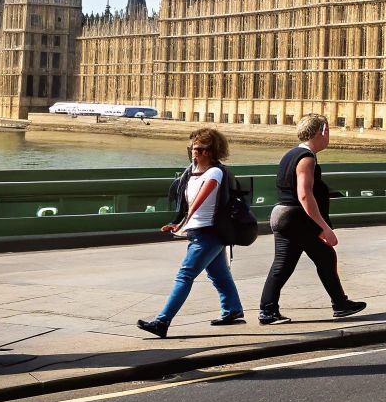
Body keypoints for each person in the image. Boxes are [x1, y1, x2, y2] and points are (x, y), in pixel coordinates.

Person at [137, 128, 246, 336]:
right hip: (199, 231)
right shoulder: (192, 173)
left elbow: (198, 202)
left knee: (184, 275)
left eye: (197, 149)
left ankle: (162, 321)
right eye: (193, 148)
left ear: (209, 151)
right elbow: (186, 205)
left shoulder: (215, 172)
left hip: (209, 233)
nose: (193, 152)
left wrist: (183, 224)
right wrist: (176, 222)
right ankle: (233, 310)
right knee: (219, 274)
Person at [258, 114, 366, 324]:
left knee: (318, 257)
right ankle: (268, 311)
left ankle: (339, 304)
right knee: (292, 263)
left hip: (282, 214)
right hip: (294, 217)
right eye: (329, 131)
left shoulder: (291, 154)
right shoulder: (307, 158)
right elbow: (305, 195)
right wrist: (324, 228)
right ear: (322, 131)